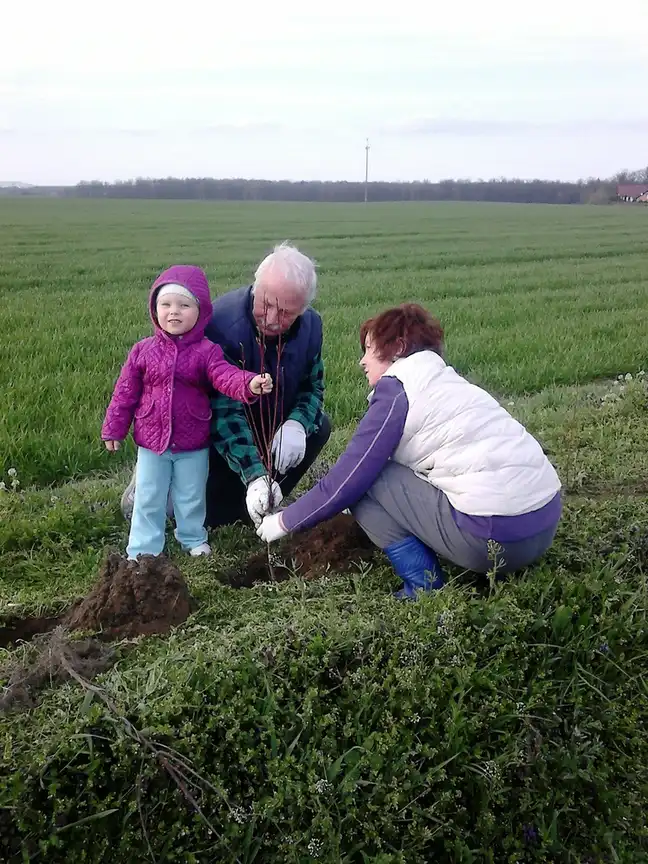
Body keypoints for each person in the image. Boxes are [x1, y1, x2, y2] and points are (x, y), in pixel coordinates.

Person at [256, 303, 562, 598]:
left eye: (369, 350)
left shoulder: (398, 389)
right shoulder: (449, 382)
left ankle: (424, 587)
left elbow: (347, 479)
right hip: (544, 524)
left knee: (370, 480)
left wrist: (282, 522)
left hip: (494, 542)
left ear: (399, 348)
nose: (362, 362)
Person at [102, 265, 272, 561]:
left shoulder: (207, 351)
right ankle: (144, 547)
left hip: (193, 441)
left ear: (201, 311)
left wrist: (249, 383)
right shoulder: (142, 351)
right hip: (152, 442)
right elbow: (125, 393)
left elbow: (225, 376)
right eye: (165, 304)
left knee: (191, 496)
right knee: (148, 496)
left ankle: (192, 537)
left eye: (184, 305)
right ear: (155, 310)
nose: (174, 312)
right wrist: (114, 429)